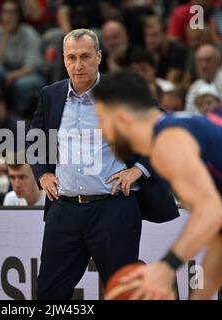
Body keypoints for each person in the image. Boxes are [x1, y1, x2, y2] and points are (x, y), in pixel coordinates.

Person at [92, 69, 222, 300]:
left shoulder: (167, 142)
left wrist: (166, 266)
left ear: (122, 119)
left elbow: (210, 212)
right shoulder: (182, 131)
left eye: (101, 120)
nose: (101, 132)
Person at [30, 29, 178, 300]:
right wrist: (42, 174)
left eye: (85, 56)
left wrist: (139, 170)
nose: (78, 65)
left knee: (123, 294)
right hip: (63, 211)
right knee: (49, 295)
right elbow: (35, 141)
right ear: (63, 60)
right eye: (72, 57)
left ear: (99, 57)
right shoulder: (50, 94)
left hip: (113, 210)